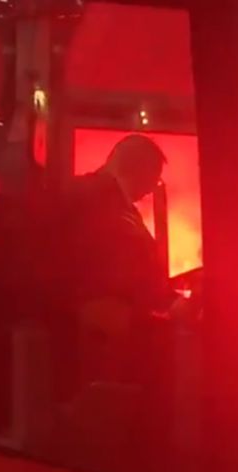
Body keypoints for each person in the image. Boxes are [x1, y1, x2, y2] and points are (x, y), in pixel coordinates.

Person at [51, 134, 171, 395]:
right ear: (138, 169)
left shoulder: (105, 197)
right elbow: (112, 265)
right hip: (101, 330)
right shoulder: (96, 197)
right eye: (154, 178)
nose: (151, 189)